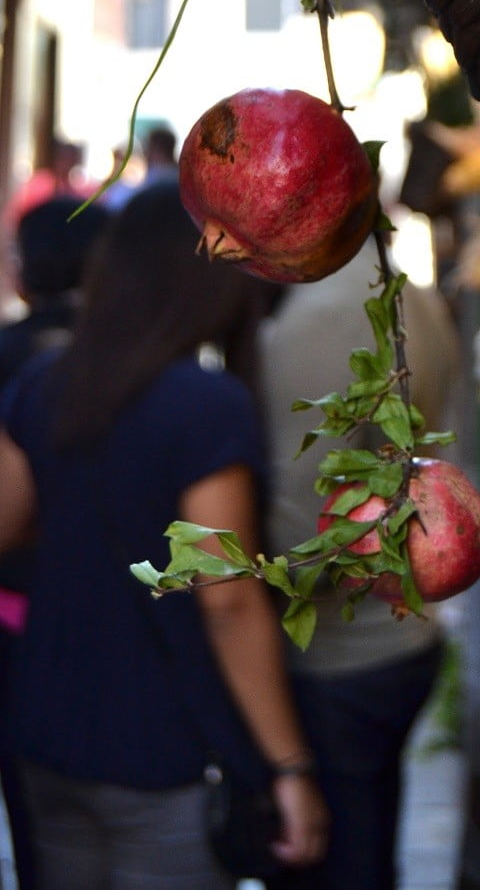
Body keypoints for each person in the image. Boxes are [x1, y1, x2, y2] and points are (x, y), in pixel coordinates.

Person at [0, 182, 329, 890]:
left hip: (46, 731)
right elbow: (227, 600)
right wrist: (290, 765)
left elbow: (5, 522)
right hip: (164, 751)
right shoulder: (205, 406)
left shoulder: (46, 383)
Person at [258, 238, 460, 890]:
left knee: (341, 862)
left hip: (341, 657)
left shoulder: (324, 313)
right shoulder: (404, 293)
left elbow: (303, 533)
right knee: (365, 851)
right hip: (394, 636)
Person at [0, 194, 110, 890]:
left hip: (15, 614)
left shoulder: (6, 351)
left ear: (21, 272)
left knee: (33, 815)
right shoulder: (136, 355)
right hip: (120, 610)